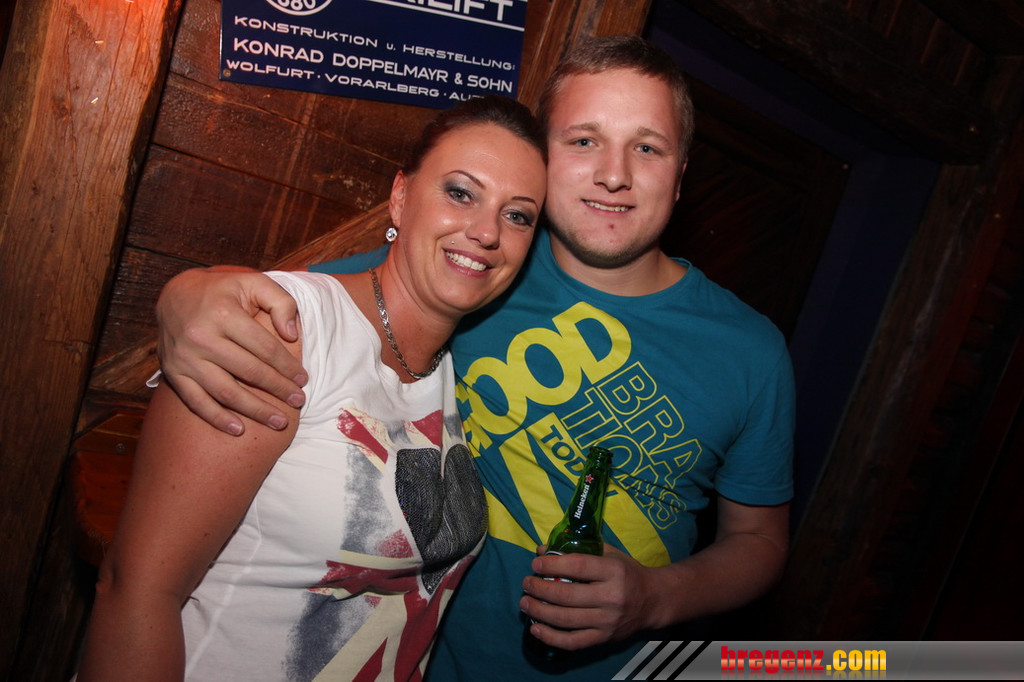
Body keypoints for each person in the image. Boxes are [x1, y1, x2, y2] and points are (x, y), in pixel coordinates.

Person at [153, 36, 795, 680]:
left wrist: (657, 598)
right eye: (583, 140)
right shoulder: (474, 266)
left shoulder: (750, 351)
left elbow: (760, 541)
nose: (613, 173)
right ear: (544, 159)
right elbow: (301, 302)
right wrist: (188, 293)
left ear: (681, 176)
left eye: (647, 148)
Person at [76, 95, 548, 682]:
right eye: (460, 192)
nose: (486, 231)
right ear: (401, 196)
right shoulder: (286, 331)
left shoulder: (454, 375)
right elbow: (135, 592)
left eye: (518, 215)